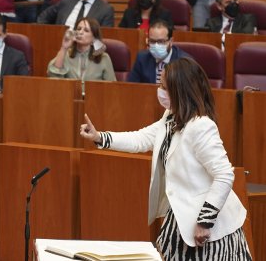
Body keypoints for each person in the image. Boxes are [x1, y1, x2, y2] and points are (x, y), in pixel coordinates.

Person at [80, 57, 252, 260]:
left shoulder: (201, 126)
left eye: (163, 86)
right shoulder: (170, 118)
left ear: (180, 90)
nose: (159, 91)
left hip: (210, 230)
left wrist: (205, 221)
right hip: (181, 217)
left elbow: (224, 175)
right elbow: (141, 139)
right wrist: (100, 137)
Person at [47, 17, 116, 83]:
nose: (80, 32)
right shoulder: (66, 55)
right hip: (69, 94)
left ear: (94, 38)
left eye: (86, 30)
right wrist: (64, 48)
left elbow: (111, 87)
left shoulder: (103, 58)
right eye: (79, 29)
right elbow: (54, 76)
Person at [129, 19, 189, 83]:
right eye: (152, 41)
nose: (156, 45)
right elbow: (131, 87)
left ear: (171, 41)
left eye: (161, 41)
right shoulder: (142, 58)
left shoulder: (184, 63)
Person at [37, 0, 114, 28]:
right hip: (59, 45)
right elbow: (42, 17)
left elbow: (104, 38)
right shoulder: (66, 1)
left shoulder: (106, 10)